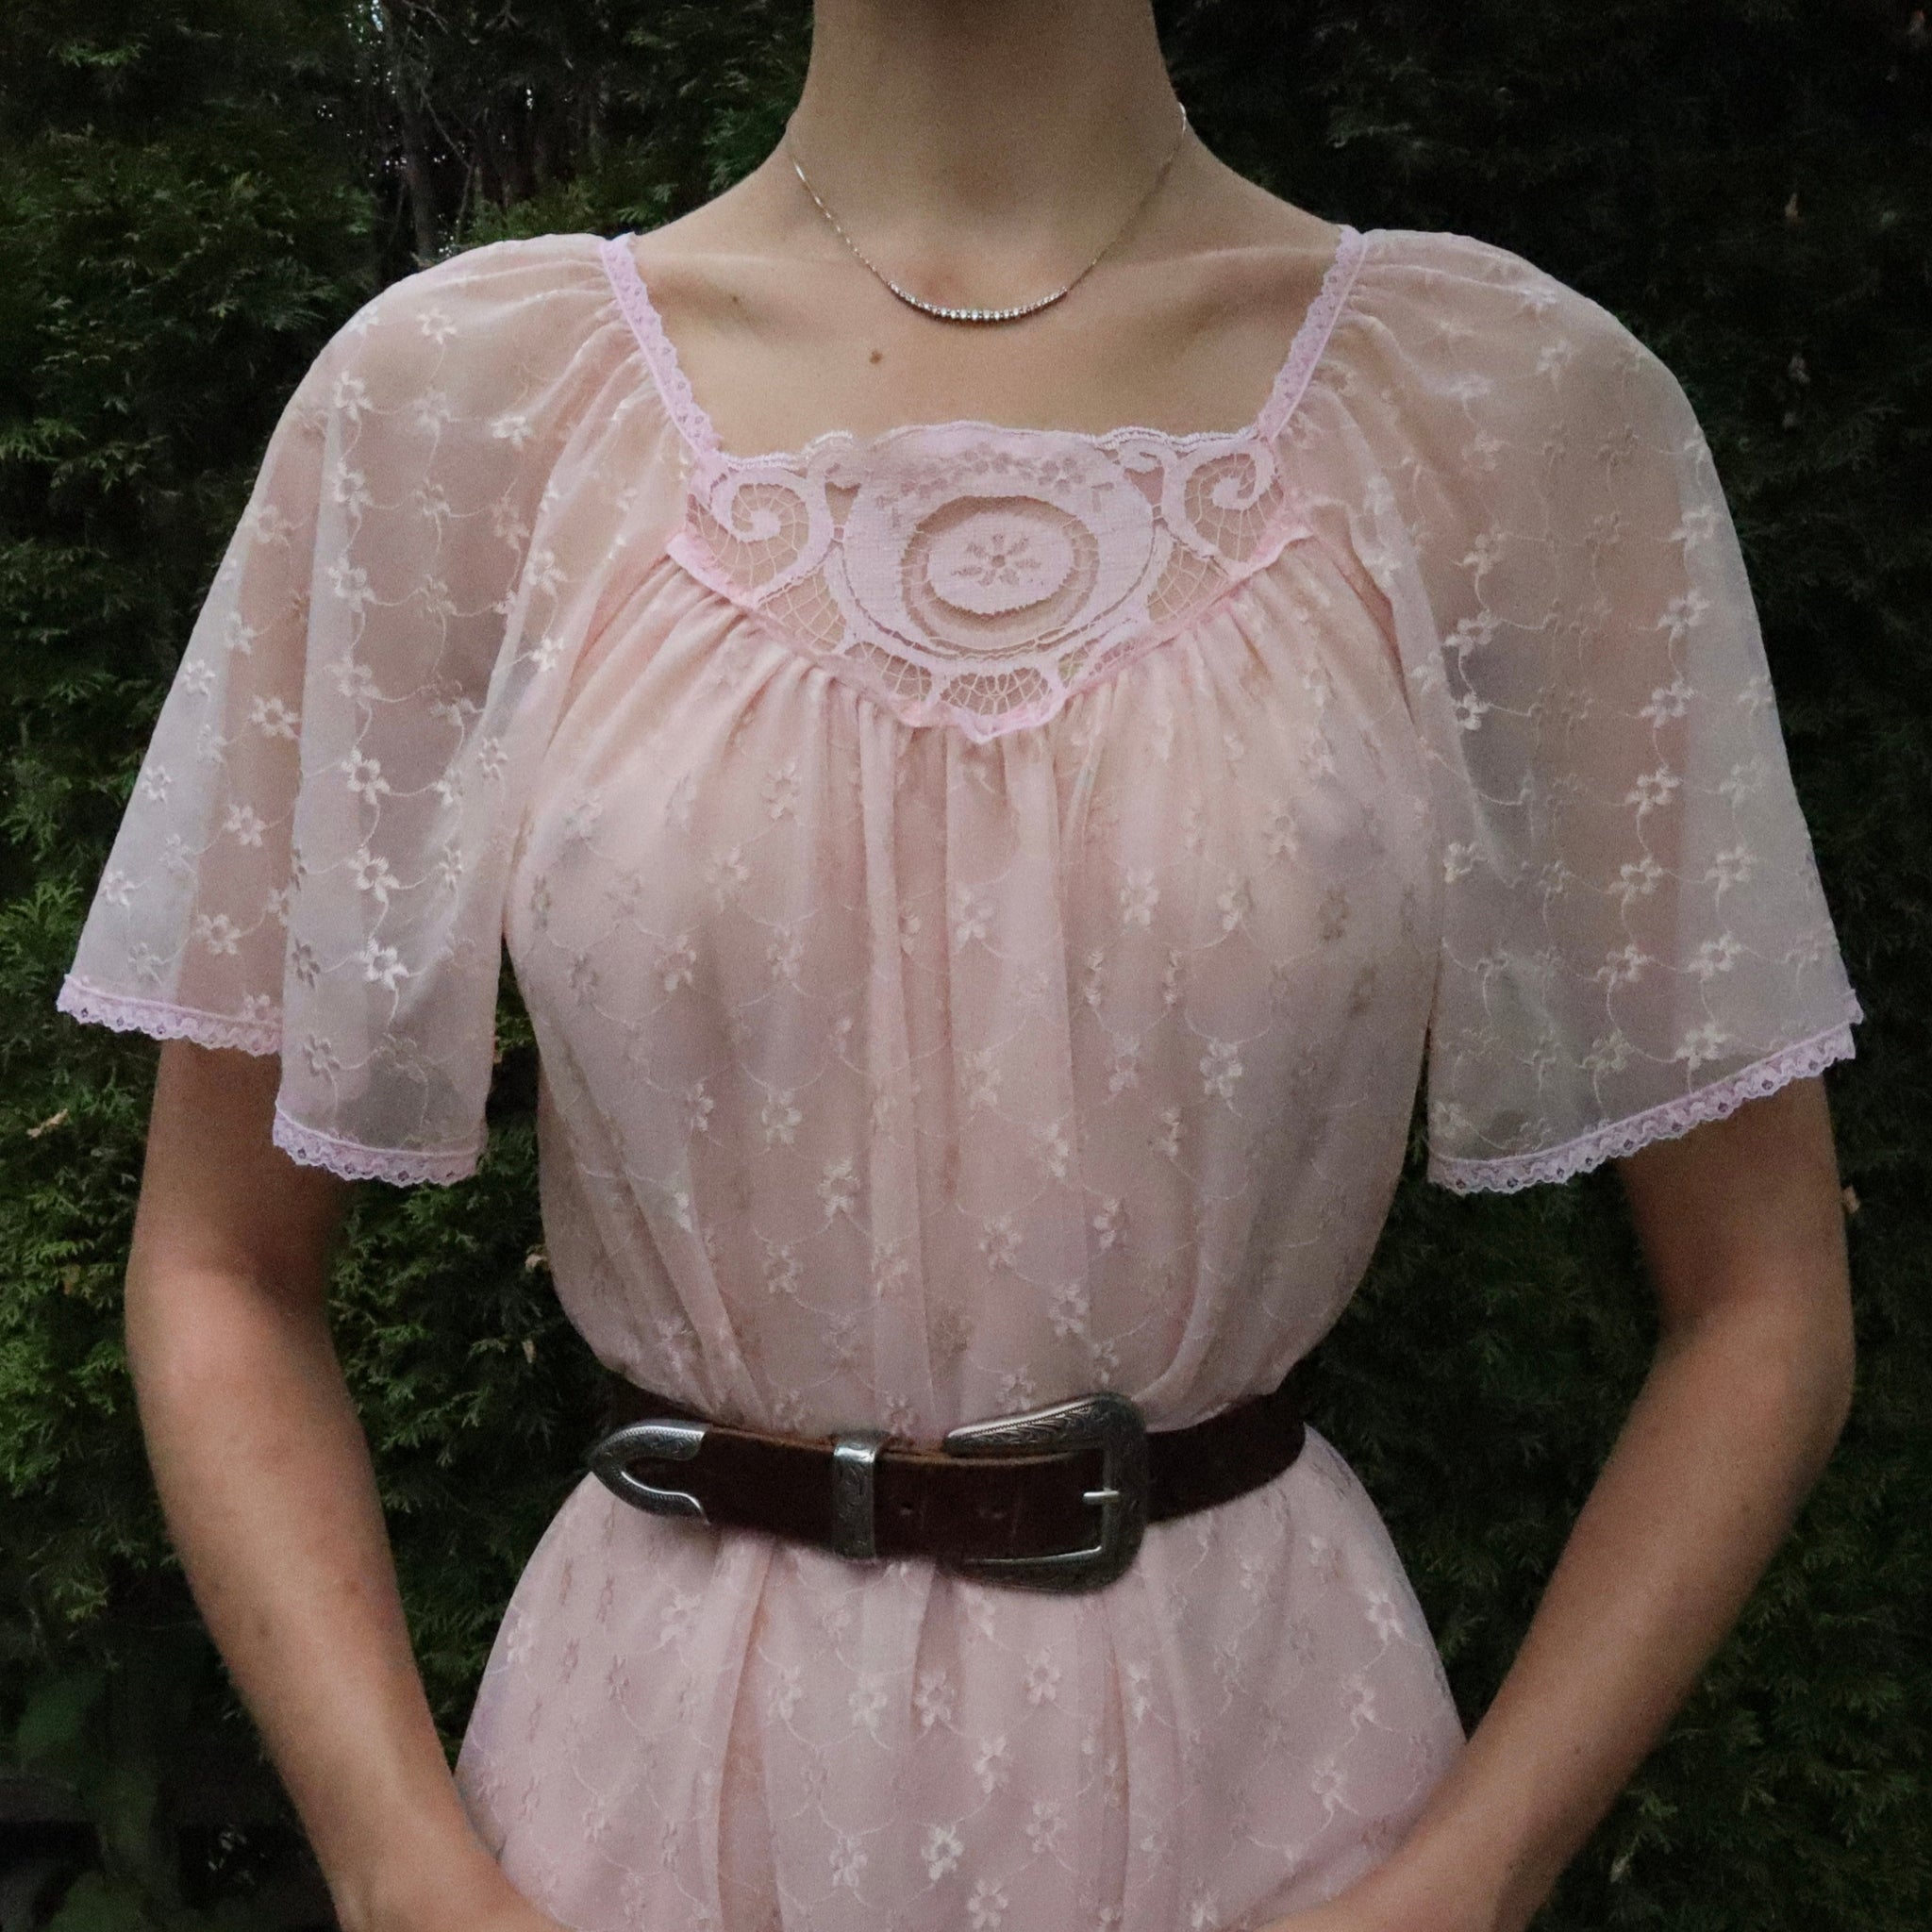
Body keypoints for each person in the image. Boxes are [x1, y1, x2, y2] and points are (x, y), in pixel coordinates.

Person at [53, 2, 1865, 1930]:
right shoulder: (458, 410)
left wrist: (1471, 1880)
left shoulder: (1500, 410)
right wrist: (400, 1866)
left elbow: (1764, 1298)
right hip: (625, 1820)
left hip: (1277, 1799)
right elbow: (220, 1261)